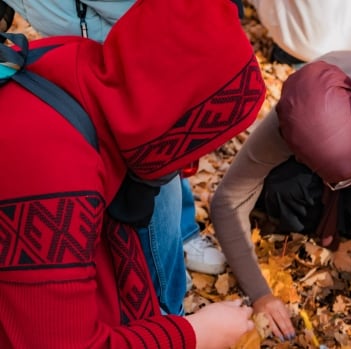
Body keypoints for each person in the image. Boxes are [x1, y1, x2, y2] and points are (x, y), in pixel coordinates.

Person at [0, 0, 265, 347]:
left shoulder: (74, 68)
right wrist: (194, 335)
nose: (192, 166)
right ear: (173, 118)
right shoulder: (55, 171)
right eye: (198, 144)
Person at [210, 50, 351, 340]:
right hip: (315, 181)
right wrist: (260, 294)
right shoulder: (291, 119)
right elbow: (227, 201)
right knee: (282, 190)